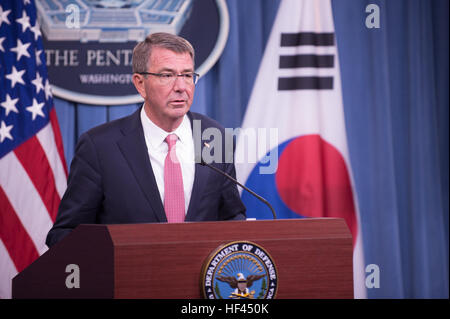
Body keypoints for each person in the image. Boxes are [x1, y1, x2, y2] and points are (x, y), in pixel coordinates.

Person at [46, 33, 246, 247]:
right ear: (140, 84)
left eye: (187, 75)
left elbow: (232, 217)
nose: (181, 87)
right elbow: (66, 233)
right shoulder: (100, 147)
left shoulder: (214, 137)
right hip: (129, 276)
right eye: (167, 75)